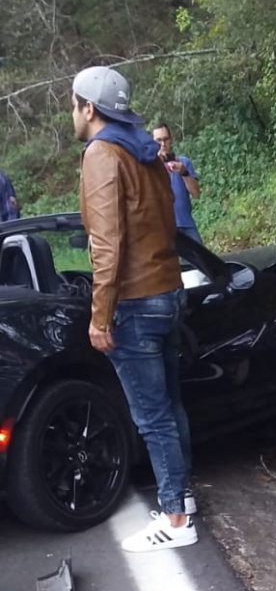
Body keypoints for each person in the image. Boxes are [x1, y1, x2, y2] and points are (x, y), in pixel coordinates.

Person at [71, 65, 198, 553]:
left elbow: (107, 243)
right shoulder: (144, 151)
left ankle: (176, 520)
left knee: (153, 418)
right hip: (168, 291)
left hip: (135, 303)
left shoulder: (103, 155)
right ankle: (182, 498)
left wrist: (100, 314)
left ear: (89, 108)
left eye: (74, 104)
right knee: (171, 407)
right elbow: (165, 223)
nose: (73, 113)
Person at [152, 123, 202, 244]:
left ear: (171, 140)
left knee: (202, 260)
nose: (163, 144)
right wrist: (156, 163)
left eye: (166, 139)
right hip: (162, 228)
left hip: (186, 224)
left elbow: (196, 194)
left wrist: (184, 173)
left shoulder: (183, 162)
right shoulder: (149, 166)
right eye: (159, 140)